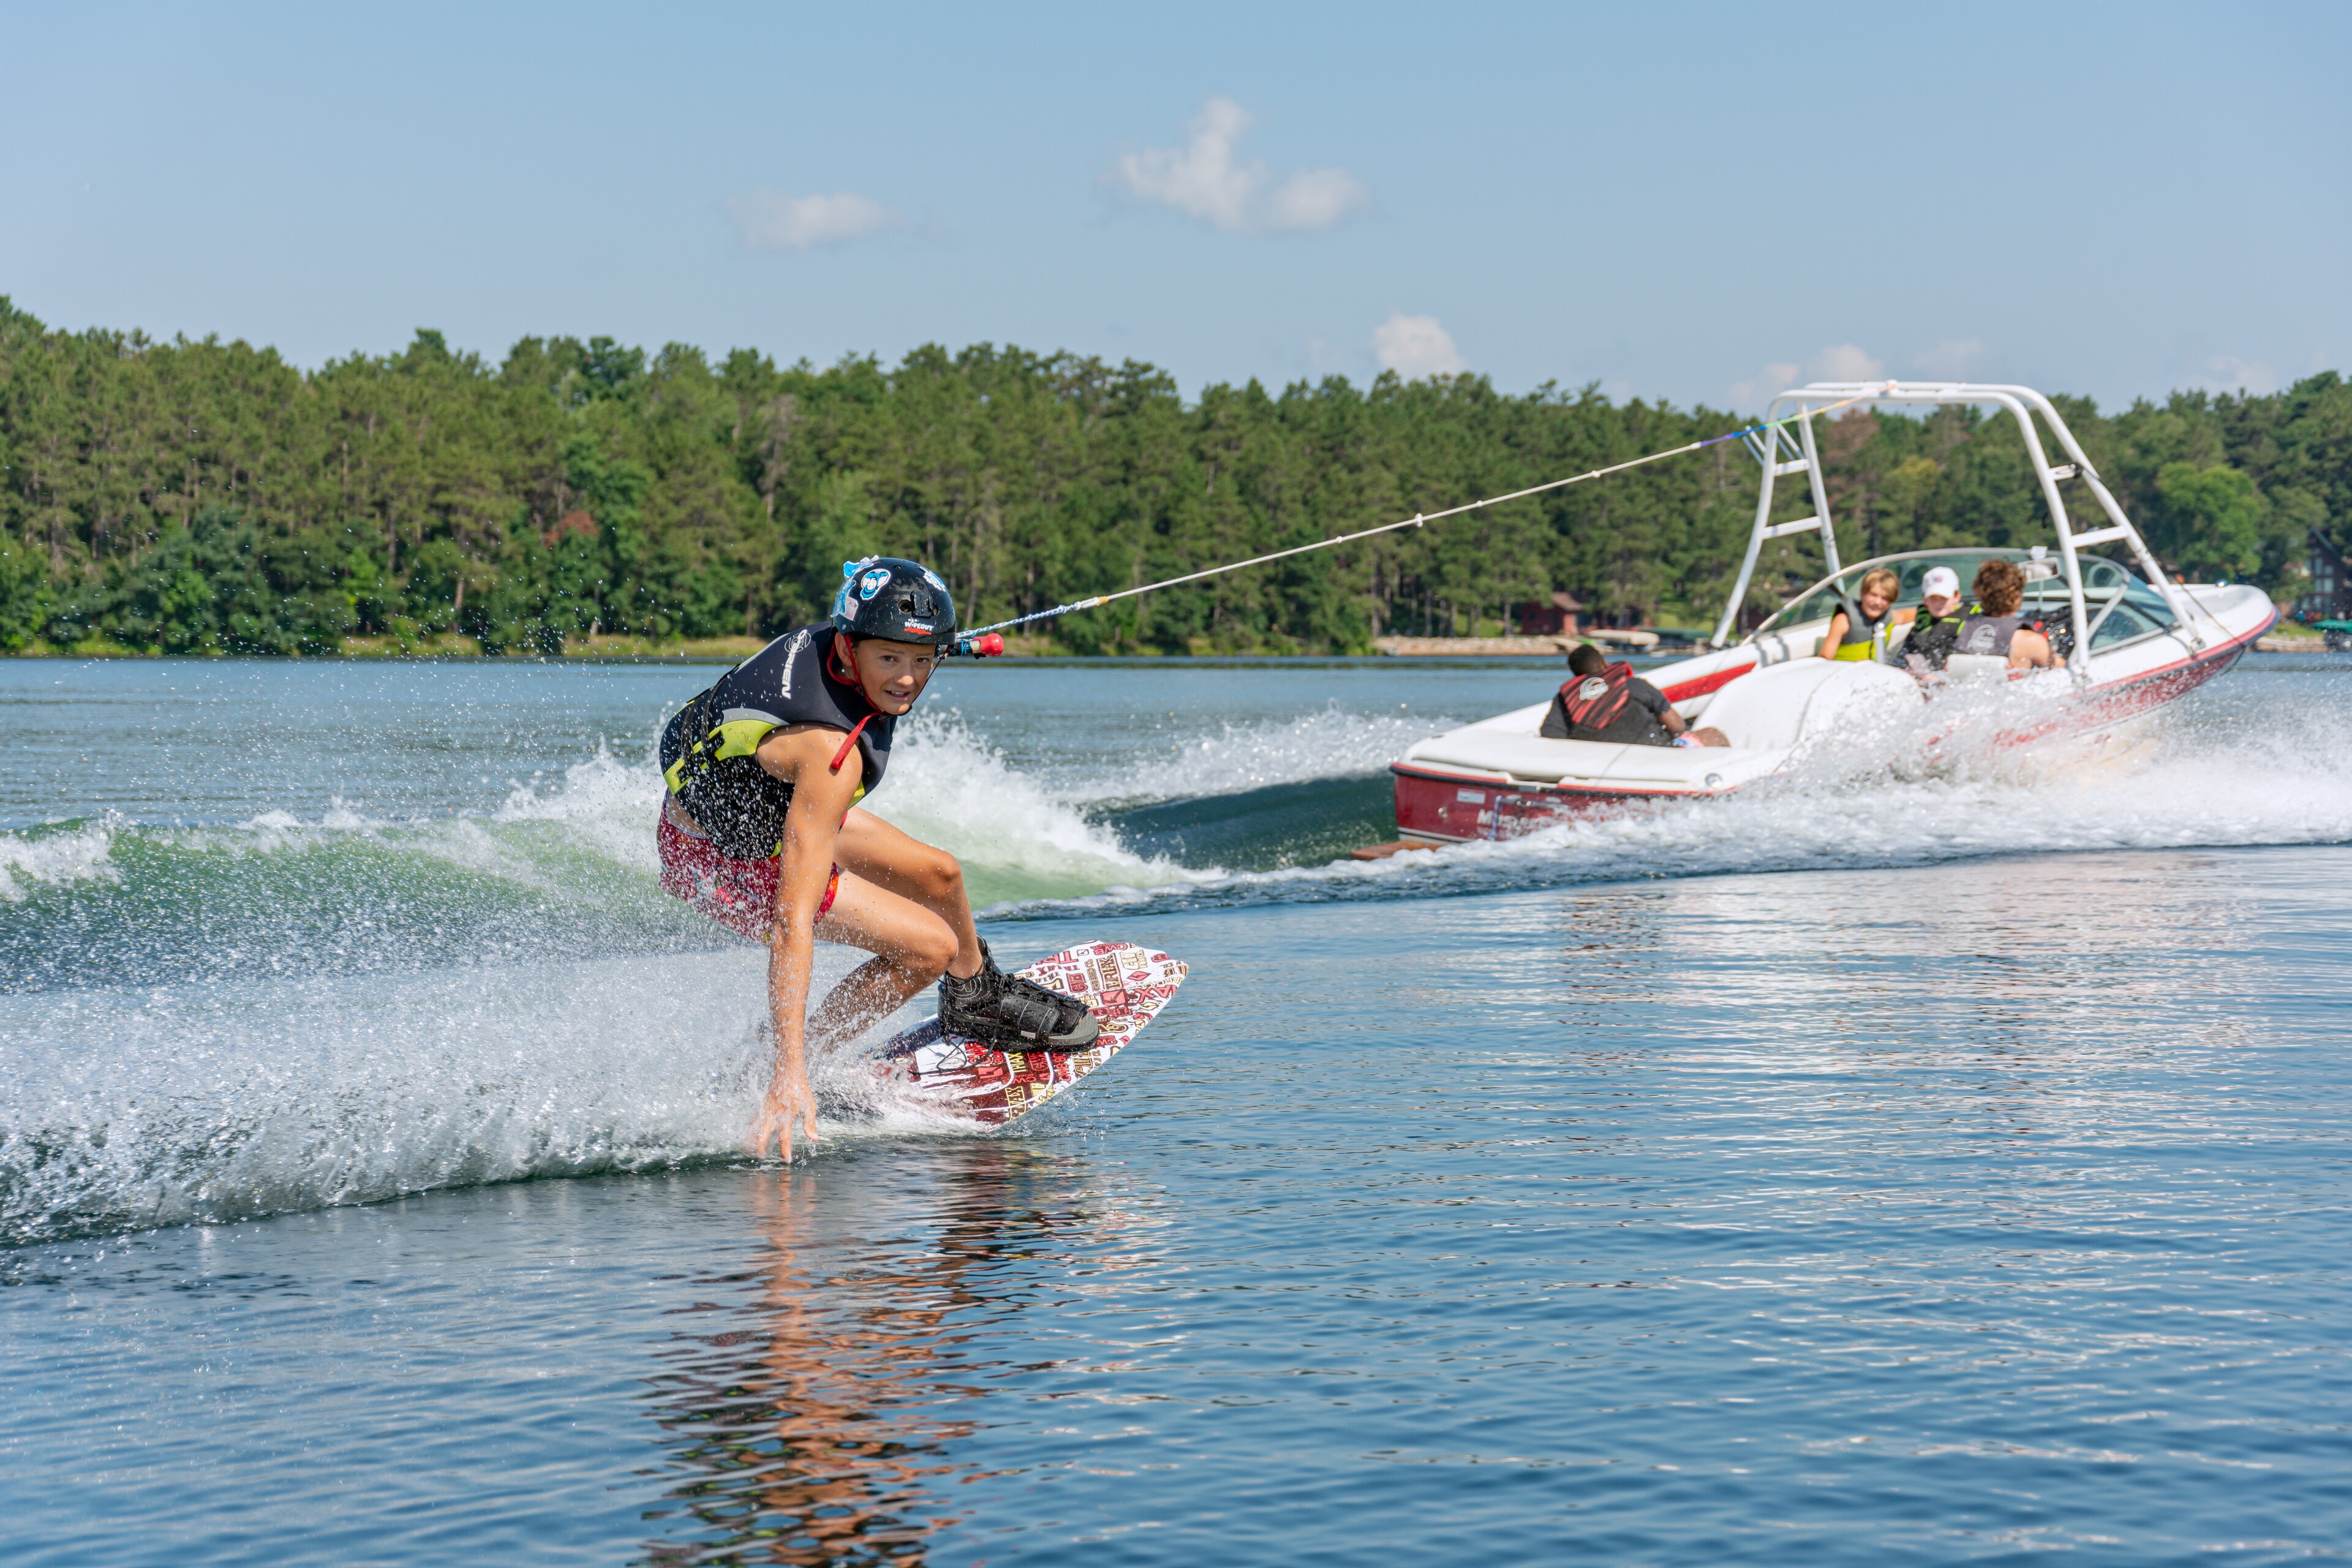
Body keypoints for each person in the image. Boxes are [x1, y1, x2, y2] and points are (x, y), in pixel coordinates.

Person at [657, 557, 1099, 1164]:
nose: (907, 680)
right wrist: (790, 1069)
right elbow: (793, 922)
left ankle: (976, 1000)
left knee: (941, 874)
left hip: (761, 804)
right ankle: (781, 1066)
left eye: (924, 661)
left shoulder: (841, 639)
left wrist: (947, 646)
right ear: (851, 645)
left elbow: (898, 638)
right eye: (890, 660)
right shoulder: (833, 754)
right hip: (716, 856)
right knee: (927, 948)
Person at [1542, 641, 1729, 747]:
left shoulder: (1564, 699)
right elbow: (1677, 727)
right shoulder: (1634, 685)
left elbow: (1551, 737)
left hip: (1592, 765)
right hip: (1654, 754)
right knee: (1713, 734)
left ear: (1576, 676)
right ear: (1604, 665)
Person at [1951, 557, 2062, 671]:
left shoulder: (1961, 628)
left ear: (1979, 593)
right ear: (2016, 597)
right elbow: (2063, 670)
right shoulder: (2028, 640)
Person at [1897, 565, 1969, 673]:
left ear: (1957, 597)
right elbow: (1901, 661)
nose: (1938, 603)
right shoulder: (1920, 626)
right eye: (1933, 598)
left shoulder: (1970, 622)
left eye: (1944, 598)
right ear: (1925, 600)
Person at [1819, 567, 1900, 662]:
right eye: (1873, 595)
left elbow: (1912, 613)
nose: (1878, 602)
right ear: (1862, 593)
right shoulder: (1843, 621)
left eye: (1885, 598)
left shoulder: (1892, 617)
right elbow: (1824, 661)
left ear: (1892, 601)